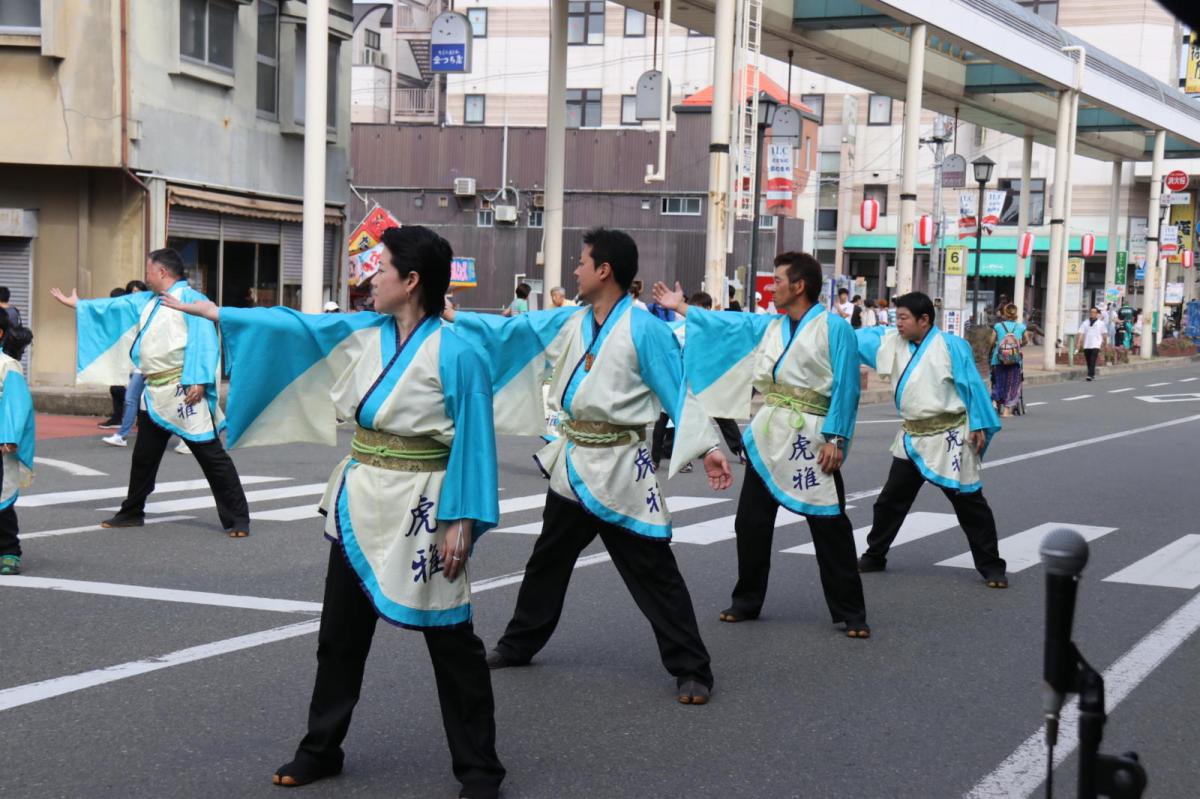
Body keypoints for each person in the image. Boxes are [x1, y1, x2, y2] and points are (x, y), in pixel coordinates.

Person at [165, 226, 505, 798]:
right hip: (358, 499)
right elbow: (297, 327)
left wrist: (460, 519)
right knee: (339, 637)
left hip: (424, 505)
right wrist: (219, 314)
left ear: (412, 281)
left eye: (382, 268)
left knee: (452, 639)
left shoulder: (459, 352)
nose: (370, 278)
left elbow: (475, 441)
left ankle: (479, 770)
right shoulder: (363, 331)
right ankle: (321, 747)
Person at [445, 227, 732, 706]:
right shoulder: (570, 321)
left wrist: (708, 447)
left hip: (621, 469)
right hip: (574, 463)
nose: (574, 271)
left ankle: (692, 668)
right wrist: (455, 317)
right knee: (547, 561)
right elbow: (513, 332)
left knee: (654, 572)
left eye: (581, 262)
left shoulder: (646, 328)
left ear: (604, 270)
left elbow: (677, 390)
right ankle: (519, 644)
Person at [653, 252, 869, 637]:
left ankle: (850, 611)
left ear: (799, 286)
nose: (773, 287)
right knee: (750, 523)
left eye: (779, 280)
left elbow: (847, 387)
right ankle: (747, 599)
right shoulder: (770, 326)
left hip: (812, 436)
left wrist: (837, 437)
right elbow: (727, 324)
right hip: (768, 435)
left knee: (829, 525)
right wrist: (681, 306)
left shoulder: (835, 328)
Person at [50, 249, 252, 537]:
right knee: (144, 457)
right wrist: (80, 305)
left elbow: (204, 340)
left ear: (162, 272)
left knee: (211, 457)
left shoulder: (194, 301)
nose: (145, 276)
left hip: (184, 390)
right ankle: (132, 511)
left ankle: (238, 519)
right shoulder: (147, 301)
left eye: (148, 271)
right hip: (154, 392)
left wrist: (200, 378)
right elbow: (115, 308)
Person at [855, 292, 1008, 589]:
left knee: (970, 503)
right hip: (912, 437)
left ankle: (992, 566)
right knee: (889, 502)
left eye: (903, 318)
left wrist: (977, 422)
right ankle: (875, 554)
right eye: (896, 317)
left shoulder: (951, 346)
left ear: (924, 320)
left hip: (949, 435)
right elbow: (850, 339)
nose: (897, 323)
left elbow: (972, 385)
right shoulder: (890, 342)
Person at [0, 313, 35, 576]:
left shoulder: (7, 365)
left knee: (2, 499)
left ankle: (9, 551)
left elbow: (16, 403)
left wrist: (9, 438)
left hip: (2, 443)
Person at [989, 303, 1029, 417]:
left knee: (998, 382)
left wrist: (995, 346)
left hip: (998, 359)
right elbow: (1026, 340)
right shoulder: (1021, 327)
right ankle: (1006, 411)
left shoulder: (998, 326)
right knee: (1012, 384)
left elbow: (991, 341)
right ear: (1016, 314)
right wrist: (1019, 345)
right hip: (1015, 360)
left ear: (1004, 313)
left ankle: (995, 404)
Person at [1077, 306, 1108, 381]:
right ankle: (1092, 373)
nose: (1092, 313)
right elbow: (1081, 333)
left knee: (1092, 359)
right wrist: (1078, 343)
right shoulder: (1085, 322)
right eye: (1091, 312)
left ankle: (1089, 375)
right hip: (1087, 344)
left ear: (1097, 314)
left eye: (1094, 312)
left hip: (1096, 344)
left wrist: (1105, 344)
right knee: (1088, 360)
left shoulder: (1101, 323)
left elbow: (1104, 334)